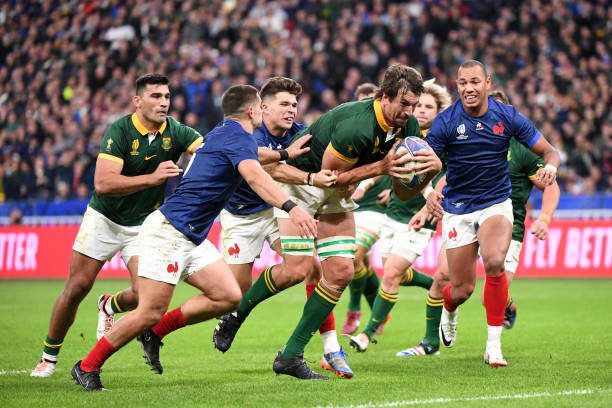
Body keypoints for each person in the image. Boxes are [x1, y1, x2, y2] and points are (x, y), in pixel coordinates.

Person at [71, 84, 318, 391]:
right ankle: (87, 366)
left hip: (192, 236)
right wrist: (292, 208)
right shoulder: (237, 137)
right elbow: (255, 175)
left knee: (228, 296)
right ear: (252, 110)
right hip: (170, 230)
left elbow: (256, 154)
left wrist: (284, 153)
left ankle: (155, 331)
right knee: (149, 310)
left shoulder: (222, 133)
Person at [270, 63, 442, 379]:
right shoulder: (357, 126)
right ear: (385, 97)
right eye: (404, 104)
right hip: (301, 185)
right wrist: (381, 167)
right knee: (297, 271)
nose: (410, 111)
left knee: (340, 270)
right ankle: (241, 317)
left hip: (336, 192)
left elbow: (405, 194)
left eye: (415, 105)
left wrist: (431, 170)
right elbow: (330, 179)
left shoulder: (408, 126)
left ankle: (291, 355)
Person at [31, 74, 204, 378]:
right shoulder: (120, 130)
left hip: (143, 226)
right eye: (155, 96)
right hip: (104, 219)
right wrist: (153, 178)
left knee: (143, 296)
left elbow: (205, 149)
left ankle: (109, 306)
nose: (163, 102)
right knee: (76, 288)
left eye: (166, 96)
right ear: (137, 101)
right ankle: (49, 356)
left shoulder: (175, 130)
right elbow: (103, 183)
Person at [398, 89, 561, 357]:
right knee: (446, 279)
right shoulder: (466, 139)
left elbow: (550, 184)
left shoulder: (522, 151)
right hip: (461, 213)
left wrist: (544, 218)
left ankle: (493, 346)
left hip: (506, 225)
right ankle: (436, 333)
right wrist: (429, 204)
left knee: (493, 285)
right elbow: (446, 177)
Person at [212, 77, 351, 378]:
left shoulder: (301, 135)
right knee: (235, 294)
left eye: (294, 105)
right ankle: (236, 314)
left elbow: (321, 163)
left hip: (276, 210)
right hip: (241, 216)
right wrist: (309, 177)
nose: (291, 110)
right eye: (284, 104)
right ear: (263, 108)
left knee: (309, 267)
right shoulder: (249, 133)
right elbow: (263, 165)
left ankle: (331, 348)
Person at [349, 79, 451, 352]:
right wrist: (373, 186)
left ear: (439, 111)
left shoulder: (443, 141)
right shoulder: (404, 135)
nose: (422, 111)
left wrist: (426, 205)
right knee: (399, 274)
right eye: (419, 106)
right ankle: (438, 288)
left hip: (423, 217)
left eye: (429, 106)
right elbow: (387, 168)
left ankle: (366, 334)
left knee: (391, 274)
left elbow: (448, 178)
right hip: (393, 213)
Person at [341, 83, 393, 337]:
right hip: (349, 207)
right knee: (362, 264)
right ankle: (379, 312)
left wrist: (394, 190)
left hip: (376, 210)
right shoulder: (351, 135)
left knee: (354, 257)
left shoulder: (389, 136)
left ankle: (354, 310)